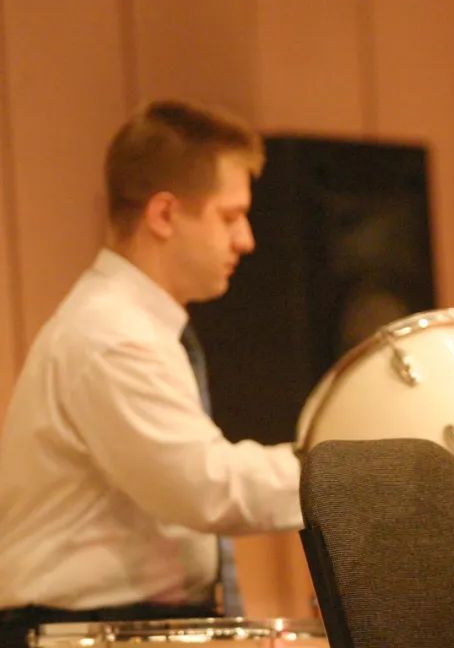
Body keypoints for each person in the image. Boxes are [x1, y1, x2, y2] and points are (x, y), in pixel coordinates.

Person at [0, 100, 302, 645]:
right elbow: (206, 488)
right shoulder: (110, 335)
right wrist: (345, 473)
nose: (246, 240)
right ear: (164, 215)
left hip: (121, 625)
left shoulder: (139, 326)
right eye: (229, 217)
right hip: (82, 630)